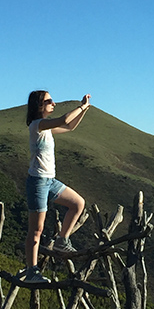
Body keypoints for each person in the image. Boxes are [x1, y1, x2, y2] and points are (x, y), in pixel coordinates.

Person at [21, 90, 91, 284]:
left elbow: (69, 127)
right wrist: (81, 106)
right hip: (37, 182)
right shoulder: (38, 125)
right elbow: (64, 119)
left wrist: (85, 110)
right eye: (49, 101)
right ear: (39, 105)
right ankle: (31, 272)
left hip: (49, 181)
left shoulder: (46, 129)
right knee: (36, 230)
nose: (53, 103)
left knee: (77, 203)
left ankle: (62, 241)